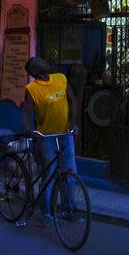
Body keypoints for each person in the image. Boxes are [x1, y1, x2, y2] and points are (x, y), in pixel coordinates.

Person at [22, 57, 78, 227]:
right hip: (46, 138)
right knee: (49, 175)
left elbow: (73, 101)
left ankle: (68, 210)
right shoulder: (32, 89)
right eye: (40, 62)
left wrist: (74, 123)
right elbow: (26, 115)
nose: (44, 62)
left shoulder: (61, 78)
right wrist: (30, 130)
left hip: (65, 135)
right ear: (36, 71)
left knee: (70, 173)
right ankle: (46, 212)